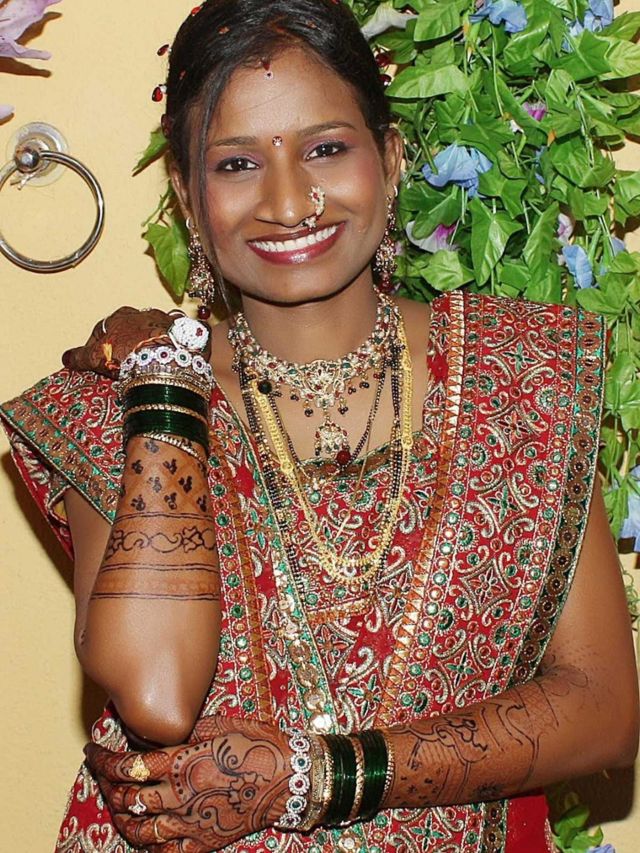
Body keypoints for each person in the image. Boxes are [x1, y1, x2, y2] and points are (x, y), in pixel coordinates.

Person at [1, 1, 638, 851]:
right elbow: (158, 695)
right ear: (187, 196)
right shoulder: (117, 403)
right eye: (236, 163)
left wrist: (320, 773)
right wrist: (166, 381)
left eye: (326, 149)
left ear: (392, 158)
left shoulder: (525, 377)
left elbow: (603, 709)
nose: (289, 200)